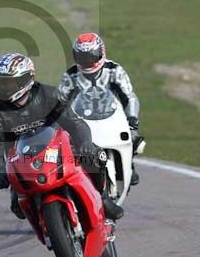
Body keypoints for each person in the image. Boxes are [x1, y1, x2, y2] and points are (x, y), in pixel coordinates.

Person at [0, 52, 124, 221]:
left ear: (26, 79)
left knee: (95, 156)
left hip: (59, 148)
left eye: (8, 83)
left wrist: (85, 143)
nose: (3, 88)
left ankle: (103, 199)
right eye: (0, 83)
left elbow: (75, 123)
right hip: (22, 160)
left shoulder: (48, 95)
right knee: (18, 207)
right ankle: (45, 224)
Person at [58, 32, 144, 186]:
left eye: (91, 56)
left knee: (134, 138)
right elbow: (60, 101)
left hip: (111, 115)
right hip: (83, 119)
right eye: (82, 57)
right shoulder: (71, 74)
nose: (87, 61)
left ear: (101, 53)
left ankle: (128, 163)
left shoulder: (114, 70)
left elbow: (129, 97)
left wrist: (132, 122)